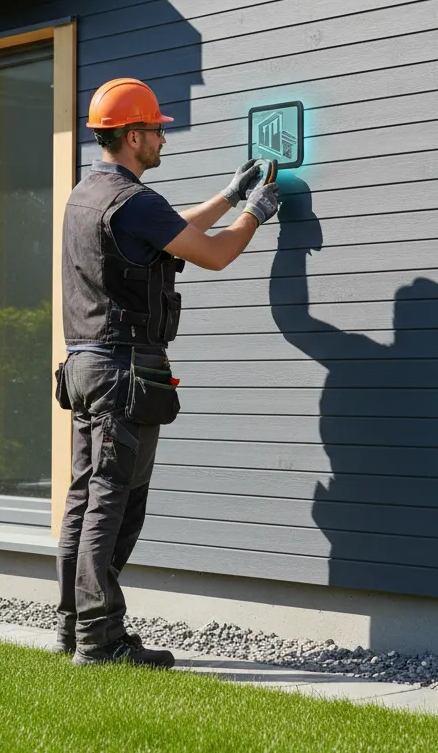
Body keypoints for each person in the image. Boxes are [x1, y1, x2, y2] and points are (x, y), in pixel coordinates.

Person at [55, 77, 281, 668]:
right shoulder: (133, 200)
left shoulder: (89, 194)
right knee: (116, 501)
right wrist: (256, 213)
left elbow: (168, 229)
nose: (162, 139)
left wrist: (230, 197)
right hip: (124, 370)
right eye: (156, 130)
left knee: (86, 496)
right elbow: (212, 253)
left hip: (86, 366)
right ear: (132, 136)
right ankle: (101, 640)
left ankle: (73, 627)